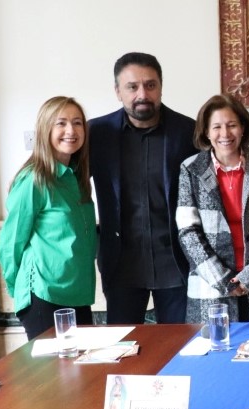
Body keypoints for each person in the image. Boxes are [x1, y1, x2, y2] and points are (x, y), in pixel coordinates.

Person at [89, 52, 198, 324]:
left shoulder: (189, 132)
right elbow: (65, 181)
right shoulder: (96, 134)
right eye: (132, 86)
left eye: (150, 85)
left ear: (161, 87)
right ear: (117, 91)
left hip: (176, 261)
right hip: (121, 263)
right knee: (123, 347)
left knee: (179, 347)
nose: (142, 94)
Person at [176, 94, 249, 324]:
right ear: (206, 132)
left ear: (243, 128)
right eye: (217, 127)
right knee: (214, 355)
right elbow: (188, 233)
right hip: (210, 287)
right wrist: (224, 281)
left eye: (232, 125)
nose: (225, 134)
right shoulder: (191, 169)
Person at [0, 97, 97, 339]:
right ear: (45, 129)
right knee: (51, 375)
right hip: (43, 295)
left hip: (79, 293)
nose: (71, 131)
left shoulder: (78, 178)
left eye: (77, 123)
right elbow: (10, 244)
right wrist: (19, 292)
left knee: (84, 373)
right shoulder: (33, 180)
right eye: (60, 123)